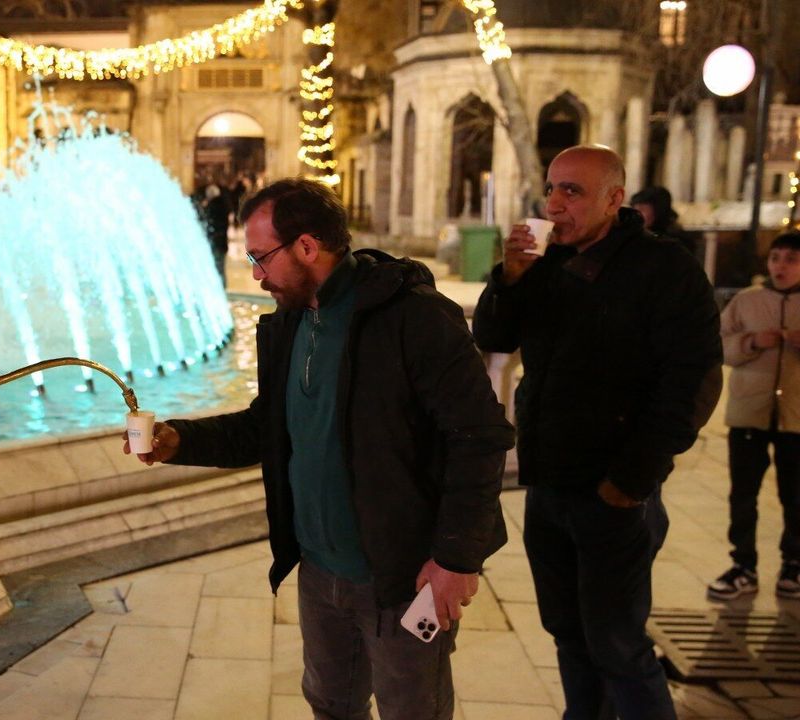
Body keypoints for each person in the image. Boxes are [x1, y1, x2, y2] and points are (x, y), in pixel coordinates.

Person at [126, 177, 514, 720]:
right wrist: (180, 440)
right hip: (319, 571)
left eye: (261, 258)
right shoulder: (291, 322)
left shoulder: (415, 317)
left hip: (400, 576)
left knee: (412, 711)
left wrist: (456, 558)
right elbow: (268, 426)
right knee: (331, 705)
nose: (255, 275)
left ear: (307, 246)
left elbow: (479, 437)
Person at [473, 146, 722, 719]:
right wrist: (509, 279)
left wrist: (632, 478)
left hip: (613, 489)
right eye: (551, 189)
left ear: (615, 200)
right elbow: (494, 337)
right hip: (548, 482)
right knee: (567, 631)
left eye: (572, 191)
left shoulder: (662, 268)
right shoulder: (546, 262)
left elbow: (693, 381)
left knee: (617, 644)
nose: (554, 204)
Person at [706, 232, 800, 601]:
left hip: (796, 418)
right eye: (776, 257)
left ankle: (794, 563)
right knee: (743, 494)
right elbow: (717, 345)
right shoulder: (747, 301)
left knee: (795, 494)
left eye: (791, 259)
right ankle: (743, 564)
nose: (780, 266)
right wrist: (752, 342)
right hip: (749, 413)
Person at [630, 186, 698, 256]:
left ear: (658, 211)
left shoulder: (678, 243)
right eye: (634, 210)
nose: (637, 215)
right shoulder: (634, 237)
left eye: (642, 209)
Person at [202, 183, 231, 284]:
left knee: (216, 267)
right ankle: (222, 286)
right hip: (222, 242)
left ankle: (219, 287)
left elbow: (208, 223)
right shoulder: (223, 205)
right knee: (220, 267)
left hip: (215, 242)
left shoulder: (212, 207)